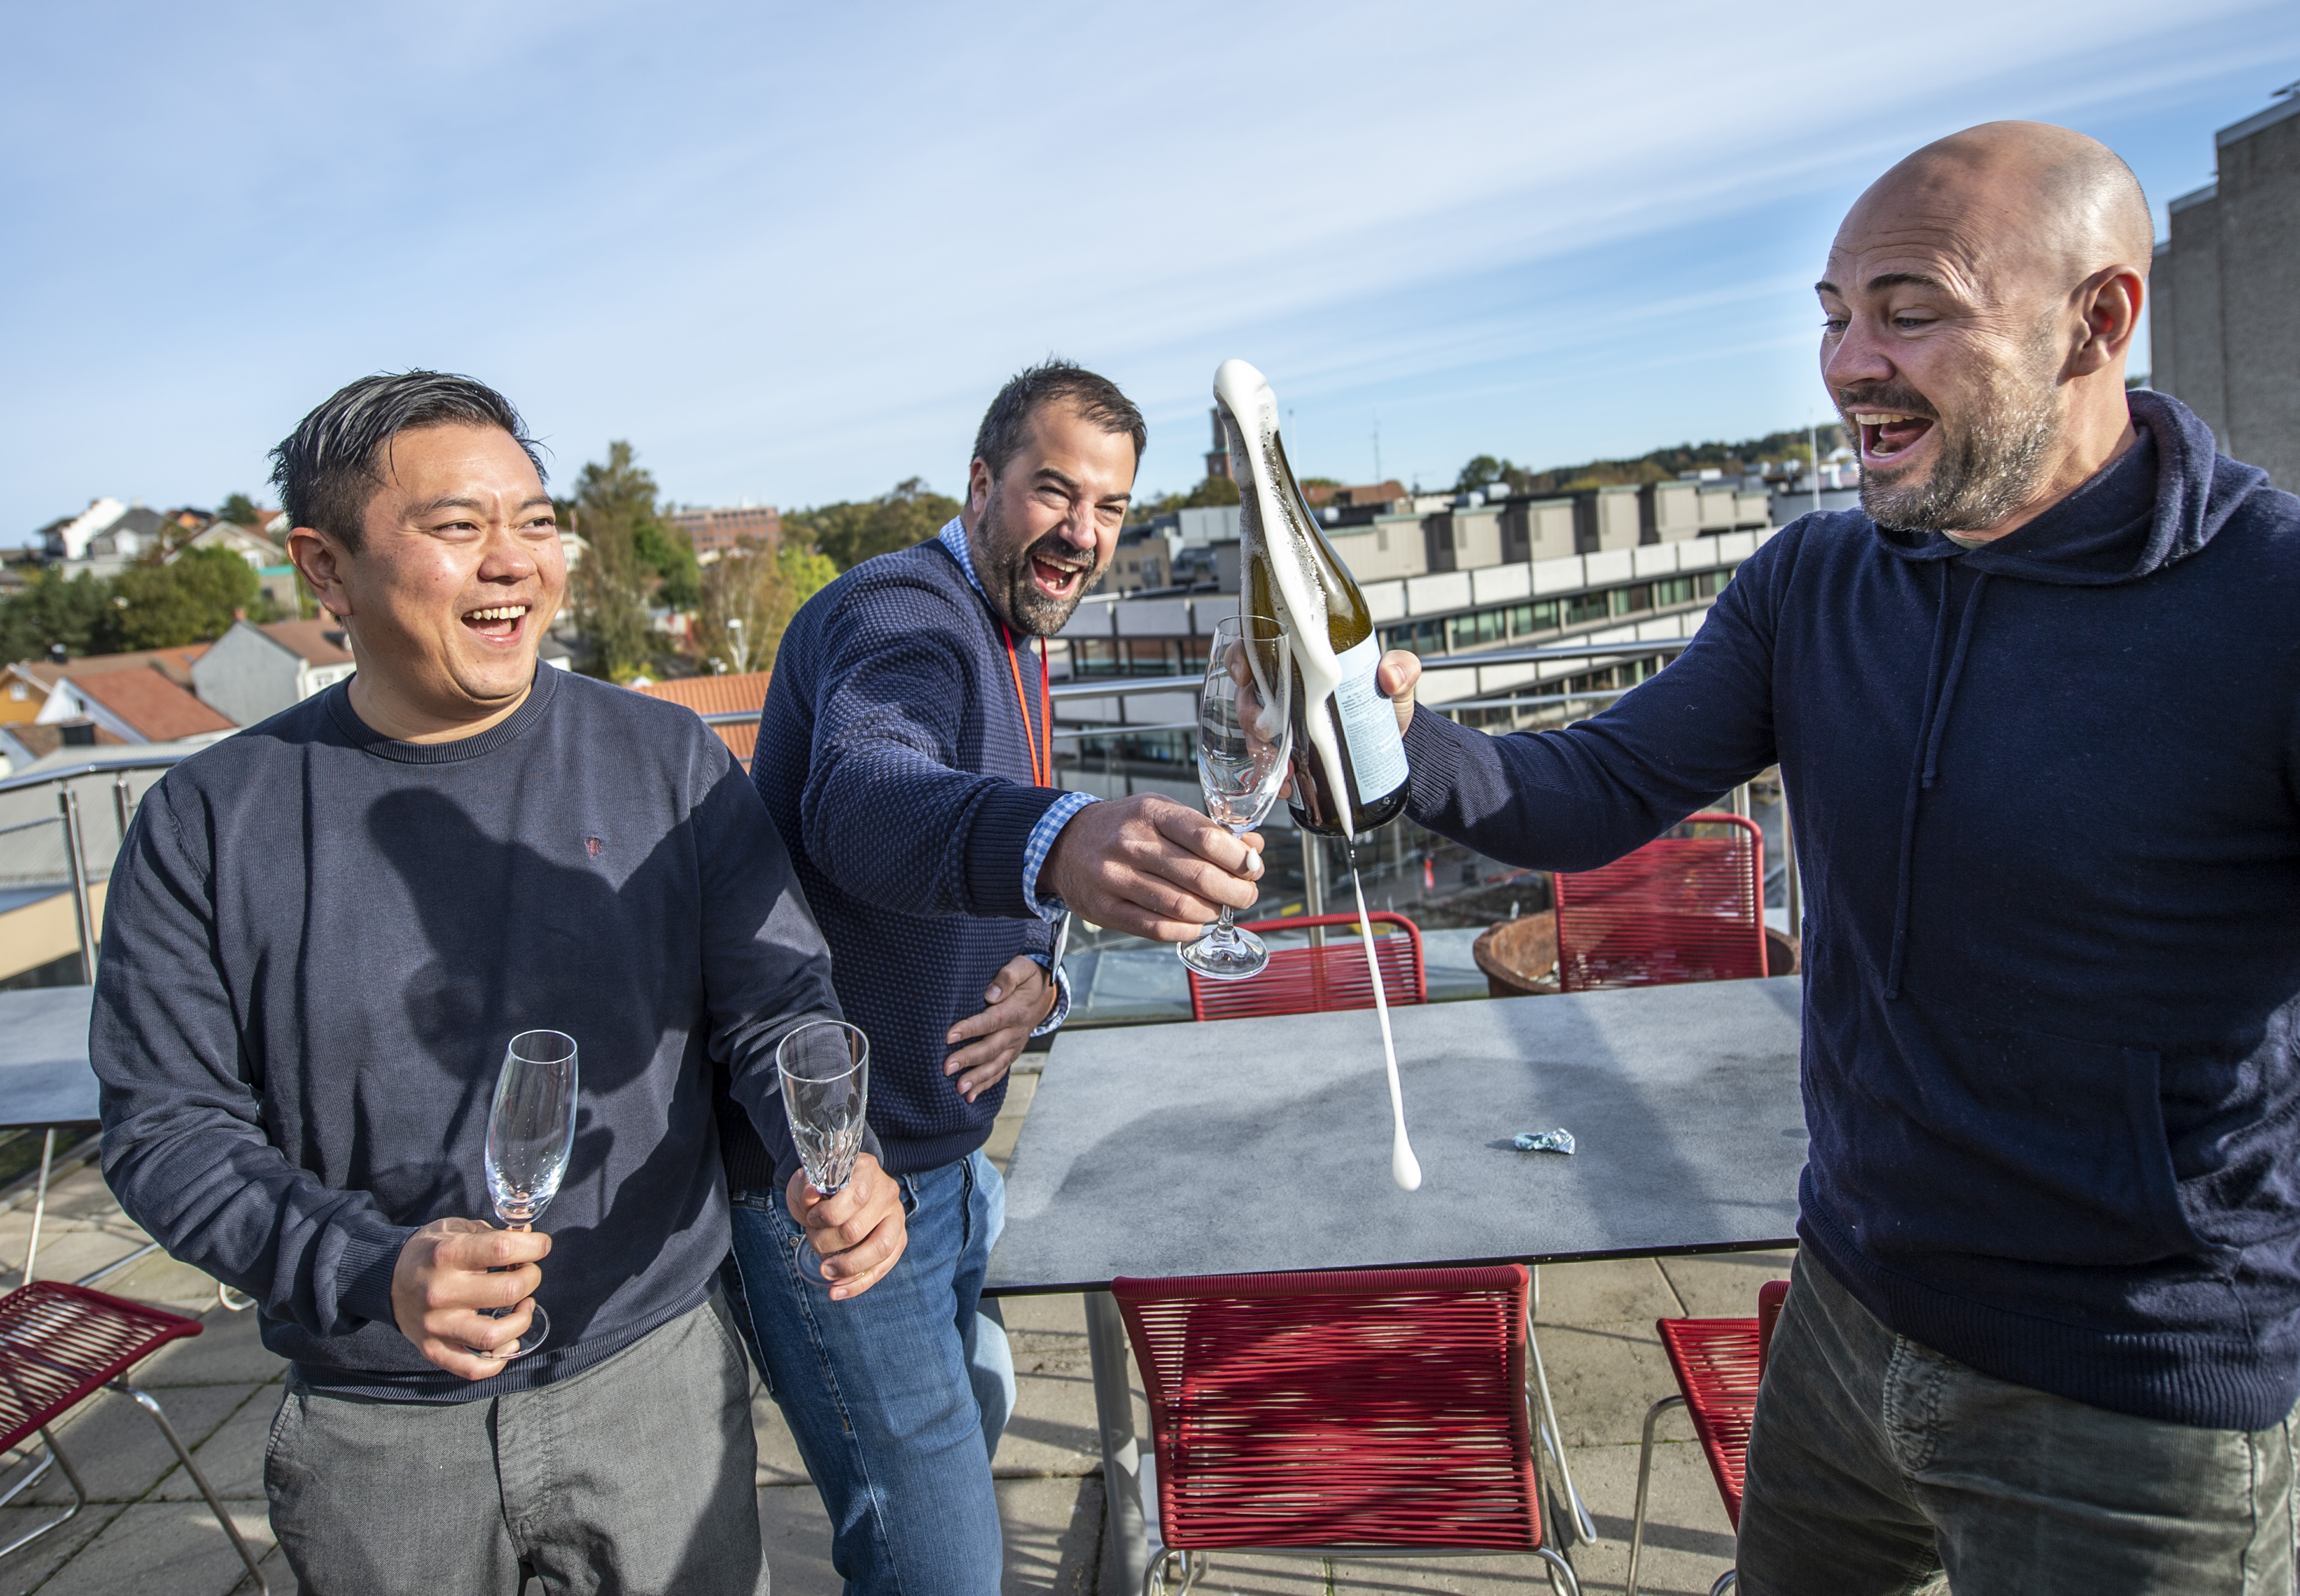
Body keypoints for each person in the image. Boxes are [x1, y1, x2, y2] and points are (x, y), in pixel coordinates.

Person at [1377, 123, 2300, 1592]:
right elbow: (1591, 788)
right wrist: (1386, 738)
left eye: (1909, 310)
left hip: (2132, 1397)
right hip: (1847, 1309)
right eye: (1832, 312)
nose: (1847, 361)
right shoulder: (1814, 576)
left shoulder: (2268, 599)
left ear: (2098, 319)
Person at [91, 371, 908, 1596]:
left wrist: (828, 1144)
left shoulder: (668, 759)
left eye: (533, 520)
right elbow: (167, 1130)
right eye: (457, 527)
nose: (515, 562)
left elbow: (775, 1007)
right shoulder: (206, 823)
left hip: (654, 1379)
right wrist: (370, 1266)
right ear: (325, 569)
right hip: (377, 1432)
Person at [739, 360, 1266, 1593]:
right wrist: (1059, 837)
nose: (1082, 533)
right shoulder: (901, 614)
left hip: (951, 1159)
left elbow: (970, 863)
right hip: (836, 1191)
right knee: (942, 1561)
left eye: (1112, 507)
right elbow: (869, 797)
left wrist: (1044, 972)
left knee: (974, 1420)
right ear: (979, 484)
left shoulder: (1013, 626)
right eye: (1051, 490)